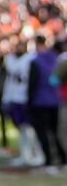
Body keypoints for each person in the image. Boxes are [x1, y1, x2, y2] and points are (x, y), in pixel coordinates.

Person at [26, 35, 63, 172]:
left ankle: (48, 160)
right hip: (55, 100)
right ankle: (62, 159)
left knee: (43, 133)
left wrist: (29, 101)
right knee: (55, 131)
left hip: (40, 101)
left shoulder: (35, 61)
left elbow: (32, 84)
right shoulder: (55, 58)